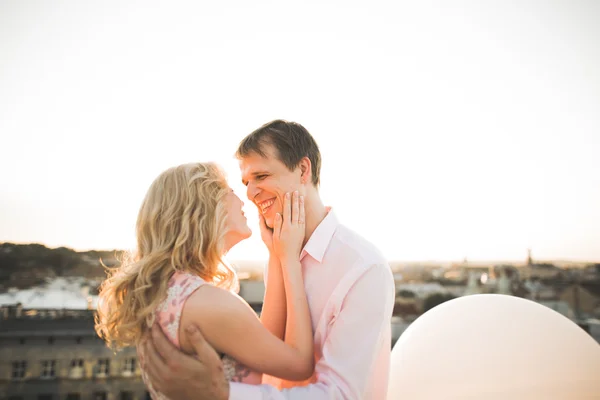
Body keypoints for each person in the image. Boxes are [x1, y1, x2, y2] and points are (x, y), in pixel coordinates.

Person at [141, 120, 396, 399]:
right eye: (245, 183)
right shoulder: (277, 256)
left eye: (261, 176)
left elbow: (341, 394)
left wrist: (224, 393)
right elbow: (272, 356)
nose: (250, 194)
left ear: (302, 170)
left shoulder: (362, 268)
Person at [94, 161, 315, 399]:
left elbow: (264, 344)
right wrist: (290, 260)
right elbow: (300, 364)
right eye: (229, 191)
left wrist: (276, 255)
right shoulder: (210, 304)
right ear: (204, 208)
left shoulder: (170, 293)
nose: (243, 200)